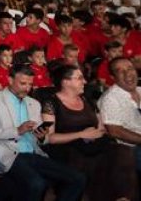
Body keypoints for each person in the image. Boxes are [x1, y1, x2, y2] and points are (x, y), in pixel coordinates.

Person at [0, 64, 85, 201]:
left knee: (78, 178)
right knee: (37, 184)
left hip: (33, 153)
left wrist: (41, 137)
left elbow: (42, 138)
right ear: (10, 80)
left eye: (30, 84)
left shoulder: (33, 103)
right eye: (23, 83)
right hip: (8, 154)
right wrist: (17, 130)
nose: (27, 88)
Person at [41, 64, 125, 201]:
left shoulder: (88, 100)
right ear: (65, 82)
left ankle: (123, 196)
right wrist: (81, 134)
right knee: (93, 163)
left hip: (94, 144)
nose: (85, 81)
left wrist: (95, 133)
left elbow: (101, 127)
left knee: (122, 151)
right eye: (80, 78)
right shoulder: (50, 103)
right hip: (68, 148)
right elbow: (49, 137)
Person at [98, 57, 141, 184]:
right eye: (120, 71)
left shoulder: (140, 90)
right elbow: (115, 131)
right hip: (130, 149)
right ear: (112, 77)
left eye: (130, 68)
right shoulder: (111, 99)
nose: (128, 73)